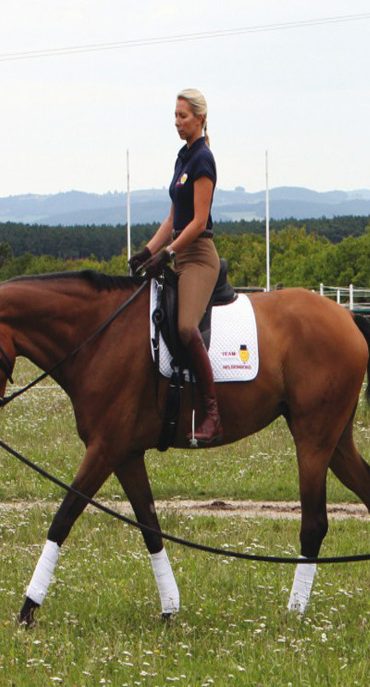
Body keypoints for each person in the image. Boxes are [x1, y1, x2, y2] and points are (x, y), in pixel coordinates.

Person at [129, 88, 223, 445]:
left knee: (185, 327)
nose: (177, 122)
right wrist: (146, 251)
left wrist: (166, 253)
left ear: (199, 118)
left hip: (198, 257)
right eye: (174, 116)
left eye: (182, 116)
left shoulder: (203, 159)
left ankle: (213, 411)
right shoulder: (183, 158)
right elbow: (173, 217)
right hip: (178, 255)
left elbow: (197, 222)